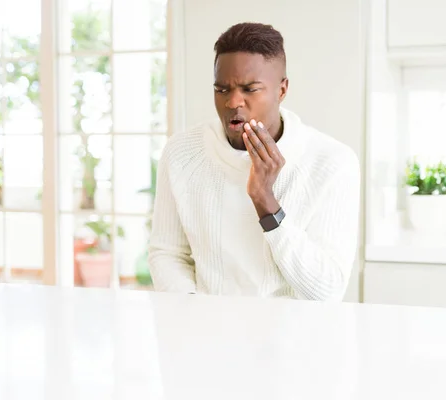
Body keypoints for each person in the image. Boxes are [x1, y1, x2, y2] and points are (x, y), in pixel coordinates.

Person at [148, 22, 360, 301]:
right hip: (205, 333)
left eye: (250, 89)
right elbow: (167, 253)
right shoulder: (181, 152)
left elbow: (327, 291)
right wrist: (194, 311)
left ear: (281, 90)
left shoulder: (332, 162)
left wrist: (266, 203)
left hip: (293, 340)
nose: (233, 102)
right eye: (222, 89)